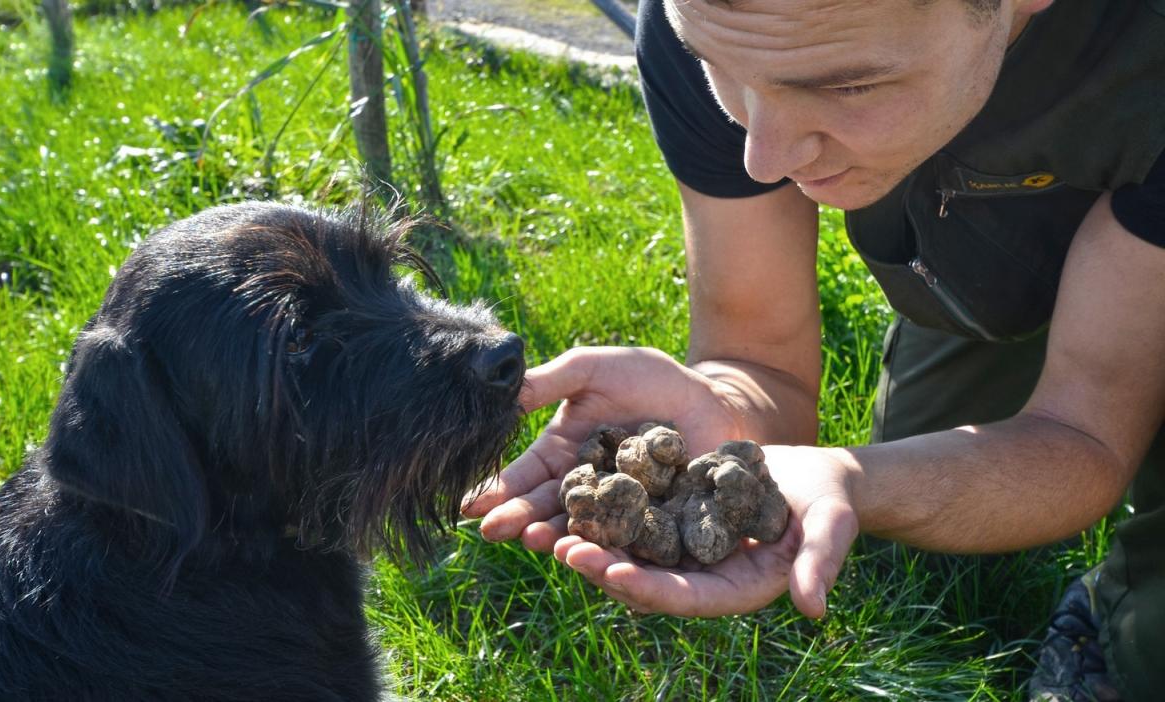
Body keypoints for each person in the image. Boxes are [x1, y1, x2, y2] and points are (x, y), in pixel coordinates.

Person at [461, 0, 1165, 699]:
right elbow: (758, 353)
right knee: (923, 528)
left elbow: (1085, 432)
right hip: (983, 262)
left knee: (1152, 644)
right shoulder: (724, 20)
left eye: (845, 86)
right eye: (720, 68)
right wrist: (740, 415)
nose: (762, 157)